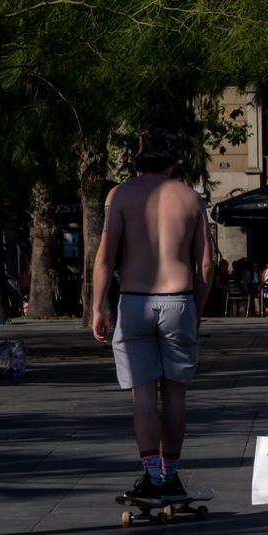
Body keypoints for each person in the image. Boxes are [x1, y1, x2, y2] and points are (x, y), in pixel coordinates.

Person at [91, 128, 214, 503]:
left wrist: (97, 306)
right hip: (179, 298)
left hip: (134, 300)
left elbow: (106, 256)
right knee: (175, 392)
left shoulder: (121, 195)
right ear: (173, 164)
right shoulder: (191, 198)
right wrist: (197, 309)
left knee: (143, 394)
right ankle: (172, 475)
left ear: (137, 163)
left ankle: (151, 477)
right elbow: (206, 264)